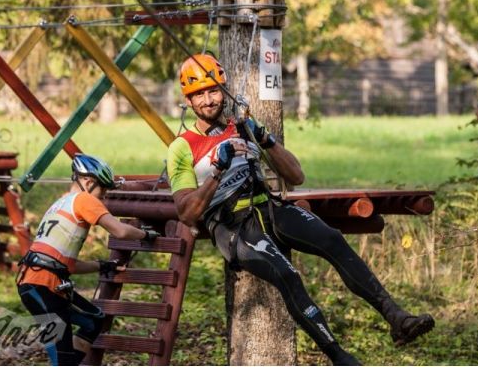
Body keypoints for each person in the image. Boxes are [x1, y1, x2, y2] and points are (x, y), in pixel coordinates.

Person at [167, 54, 435, 365]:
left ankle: (397, 317)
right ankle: (340, 357)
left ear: (222, 89)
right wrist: (217, 168)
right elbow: (187, 212)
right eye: (199, 94)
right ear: (189, 100)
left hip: (269, 208)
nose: (209, 99)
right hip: (233, 228)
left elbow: (295, 176)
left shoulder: (241, 127)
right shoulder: (182, 147)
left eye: (213, 90)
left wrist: (264, 138)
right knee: (287, 274)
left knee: (332, 238)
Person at [16, 154, 154, 366]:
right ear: (88, 183)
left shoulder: (61, 203)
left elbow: (66, 264)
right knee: (61, 361)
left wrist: (102, 266)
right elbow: (120, 230)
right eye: (103, 190)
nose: (104, 197)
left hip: (40, 282)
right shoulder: (85, 199)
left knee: (92, 320)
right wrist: (146, 234)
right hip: (43, 284)